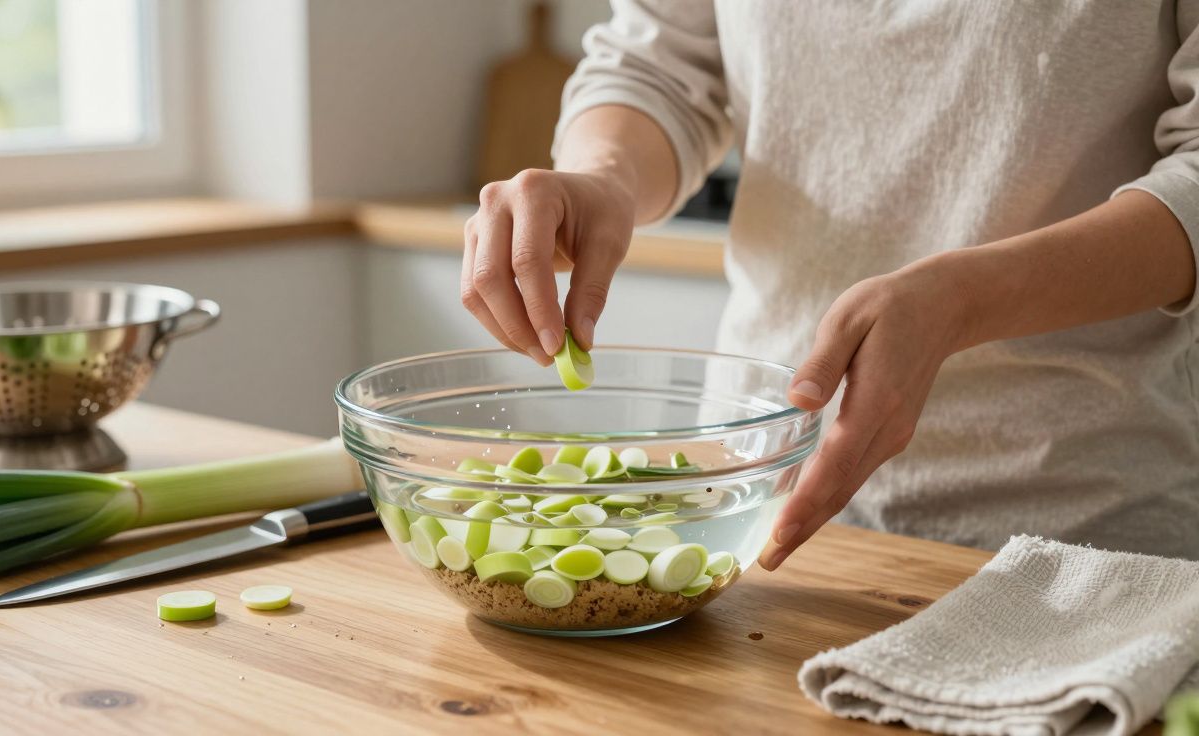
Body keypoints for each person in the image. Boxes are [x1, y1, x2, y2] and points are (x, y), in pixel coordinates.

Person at [460, 2, 1199, 564]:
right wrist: (603, 176)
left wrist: (962, 301)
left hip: (1088, 540)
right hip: (764, 517)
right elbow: (655, 68)